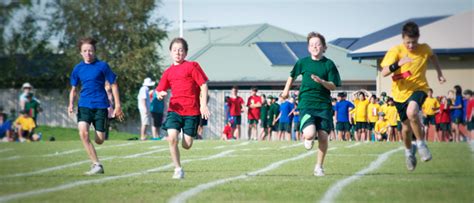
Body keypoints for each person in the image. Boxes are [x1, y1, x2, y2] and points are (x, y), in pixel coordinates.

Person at [380, 22, 446, 171]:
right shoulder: (395, 51)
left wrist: (439, 74)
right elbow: (384, 72)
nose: (411, 46)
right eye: (408, 42)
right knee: (405, 128)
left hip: (419, 88)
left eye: (414, 42)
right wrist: (398, 64)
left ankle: (421, 144)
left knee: (413, 112)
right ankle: (409, 152)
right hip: (399, 94)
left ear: (418, 38)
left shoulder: (424, 49)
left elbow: (433, 57)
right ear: (402, 38)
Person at [282, 32, 341, 176]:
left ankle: (319, 167)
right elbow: (292, 76)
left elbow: (334, 85)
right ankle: (308, 138)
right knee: (309, 134)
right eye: (312, 45)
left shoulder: (329, 64)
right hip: (306, 103)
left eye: (318, 44)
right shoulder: (302, 62)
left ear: (324, 47)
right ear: (308, 48)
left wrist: (322, 81)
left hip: (323, 105)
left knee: (323, 137)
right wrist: (285, 92)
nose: (315, 47)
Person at [68, 37, 124, 175]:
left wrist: (117, 105)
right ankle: (96, 164)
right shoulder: (78, 68)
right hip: (84, 105)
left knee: (100, 140)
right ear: (81, 53)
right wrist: (70, 104)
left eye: (90, 50)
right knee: (83, 133)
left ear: (95, 51)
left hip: (100, 105)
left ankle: (97, 140)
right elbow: (73, 88)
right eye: (85, 51)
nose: (88, 53)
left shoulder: (103, 66)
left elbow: (114, 84)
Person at [156, 37, 210, 179]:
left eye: (180, 50)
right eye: (175, 50)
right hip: (174, 110)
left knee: (187, 144)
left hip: (191, 111)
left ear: (185, 53)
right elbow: (159, 90)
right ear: (170, 53)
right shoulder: (168, 72)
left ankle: (186, 140)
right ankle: (178, 169)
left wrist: (203, 105)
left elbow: (203, 85)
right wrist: (160, 94)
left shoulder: (192, 66)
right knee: (172, 138)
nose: (177, 53)